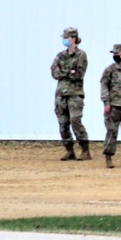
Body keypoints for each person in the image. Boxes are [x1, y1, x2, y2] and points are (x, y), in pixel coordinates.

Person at [51, 27, 90, 161]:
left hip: (75, 93)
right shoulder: (60, 55)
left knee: (75, 121)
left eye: (66, 37)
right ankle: (69, 150)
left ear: (73, 38)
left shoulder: (81, 55)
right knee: (63, 123)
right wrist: (69, 72)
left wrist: (64, 72)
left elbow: (79, 74)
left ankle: (85, 149)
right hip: (61, 94)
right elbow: (54, 73)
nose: (64, 40)